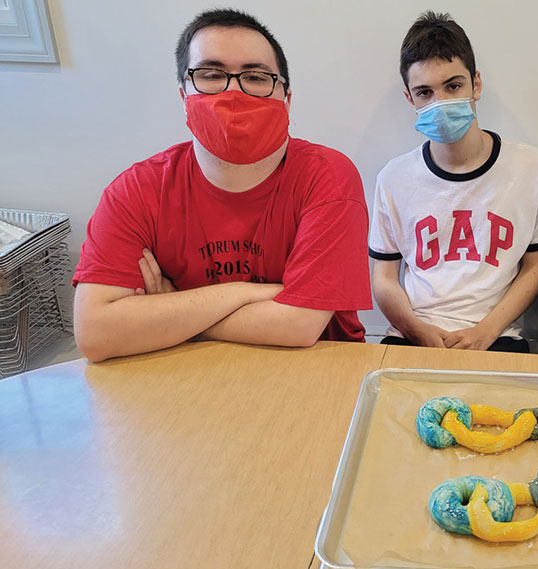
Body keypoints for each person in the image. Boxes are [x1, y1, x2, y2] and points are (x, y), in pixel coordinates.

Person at [73, 9, 371, 362]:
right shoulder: (135, 191)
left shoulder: (328, 177)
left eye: (256, 76)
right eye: (211, 75)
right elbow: (96, 333)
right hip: (180, 377)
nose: (233, 91)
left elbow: (300, 325)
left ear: (286, 98)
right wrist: (249, 294)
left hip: (313, 371)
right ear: (184, 95)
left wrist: (168, 313)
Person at [368, 11, 538, 353]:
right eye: (424, 92)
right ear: (409, 99)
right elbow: (383, 279)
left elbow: (535, 267)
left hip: (498, 338)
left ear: (477, 84)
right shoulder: (393, 179)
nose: (440, 103)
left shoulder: (532, 168)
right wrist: (416, 330)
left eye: (453, 86)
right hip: (409, 336)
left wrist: (486, 331)